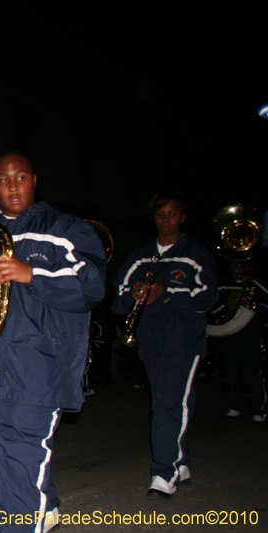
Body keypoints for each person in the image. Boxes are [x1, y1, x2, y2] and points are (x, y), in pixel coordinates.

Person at [0, 153, 106, 532]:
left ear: (34, 180)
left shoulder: (68, 229)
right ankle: (43, 507)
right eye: (2, 179)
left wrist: (32, 273)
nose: (12, 186)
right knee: (15, 451)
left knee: (20, 450)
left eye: (20, 178)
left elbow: (92, 287)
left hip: (42, 363)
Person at [112, 191, 217, 499]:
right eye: (160, 215)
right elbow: (117, 300)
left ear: (182, 217)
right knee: (168, 400)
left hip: (183, 340)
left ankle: (163, 472)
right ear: (153, 218)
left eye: (172, 214)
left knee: (168, 403)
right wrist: (135, 293)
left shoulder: (195, 252)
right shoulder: (142, 255)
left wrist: (166, 292)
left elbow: (209, 295)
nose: (166, 220)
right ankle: (180, 460)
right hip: (150, 340)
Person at [214, 261, 267, 423]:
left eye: (239, 265)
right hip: (230, 334)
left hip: (251, 334)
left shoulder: (255, 283)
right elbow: (212, 304)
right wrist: (225, 308)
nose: (235, 268)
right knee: (231, 371)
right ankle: (233, 406)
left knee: (252, 372)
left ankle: (258, 410)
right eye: (233, 265)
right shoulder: (223, 284)